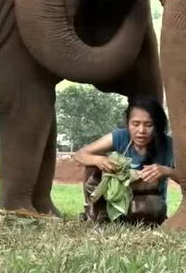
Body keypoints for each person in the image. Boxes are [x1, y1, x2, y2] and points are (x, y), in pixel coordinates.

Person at [73, 96, 177, 225]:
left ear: (157, 126)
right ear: (128, 124)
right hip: (116, 202)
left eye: (148, 124)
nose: (141, 131)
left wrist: (167, 171)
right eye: (135, 124)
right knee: (93, 164)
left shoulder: (169, 145)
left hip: (148, 208)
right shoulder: (120, 136)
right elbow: (80, 155)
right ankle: (94, 212)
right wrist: (99, 160)